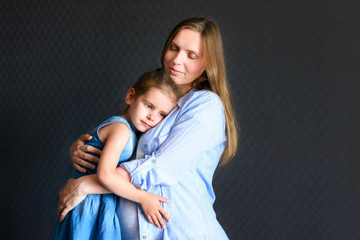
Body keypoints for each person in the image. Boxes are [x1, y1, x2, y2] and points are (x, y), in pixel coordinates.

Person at [58, 17, 238, 239]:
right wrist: (85, 147)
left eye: (192, 56)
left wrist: (89, 183)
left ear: (207, 65)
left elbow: (161, 167)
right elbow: (122, 138)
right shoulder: (159, 94)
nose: (177, 60)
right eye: (174, 48)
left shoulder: (205, 105)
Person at [53, 71, 181, 239]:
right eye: (148, 106)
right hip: (90, 207)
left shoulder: (126, 130)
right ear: (130, 96)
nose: (151, 117)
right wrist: (143, 198)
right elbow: (105, 175)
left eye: (161, 114)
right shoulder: (121, 130)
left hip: (99, 205)